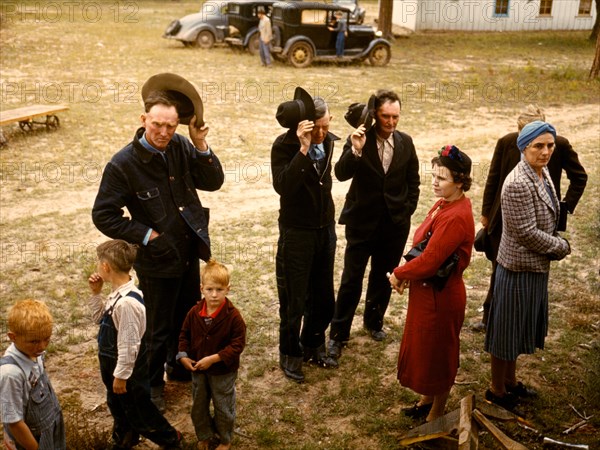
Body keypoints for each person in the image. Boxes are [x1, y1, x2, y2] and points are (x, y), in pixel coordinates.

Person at [92, 72, 225, 411]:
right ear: (143, 120)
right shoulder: (123, 164)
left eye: (172, 126)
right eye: (157, 125)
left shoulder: (181, 145)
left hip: (186, 250)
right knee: (154, 328)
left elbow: (213, 181)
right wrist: (147, 235)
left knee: (185, 316)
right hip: (155, 259)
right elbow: (103, 215)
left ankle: (175, 369)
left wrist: (199, 143)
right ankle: (150, 385)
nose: (164, 132)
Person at [473, 105, 587, 331]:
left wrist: (563, 210)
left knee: (534, 271)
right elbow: (493, 179)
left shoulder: (558, 146)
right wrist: (486, 215)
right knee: (500, 269)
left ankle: (527, 323)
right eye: (524, 132)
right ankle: (490, 318)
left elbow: (580, 177)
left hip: (538, 221)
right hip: (502, 219)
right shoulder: (506, 142)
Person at [484, 121, 571, 413]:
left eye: (550, 145)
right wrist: (560, 246)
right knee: (505, 332)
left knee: (517, 329)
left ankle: (510, 381)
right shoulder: (518, 182)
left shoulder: (540, 171)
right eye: (538, 146)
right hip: (517, 268)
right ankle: (497, 390)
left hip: (533, 267)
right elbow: (525, 233)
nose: (546, 152)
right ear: (524, 147)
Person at [328, 90, 420, 361]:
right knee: (351, 279)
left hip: (394, 224)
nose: (391, 122)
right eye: (385, 116)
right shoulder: (359, 139)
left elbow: (413, 181)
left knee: (383, 276)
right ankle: (338, 334)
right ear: (374, 116)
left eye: (395, 117)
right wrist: (355, 150)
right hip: (361, 222)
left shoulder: (406, 142)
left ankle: (374, 321)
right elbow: (341, 173)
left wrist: (406, 211)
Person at [389, 145, 475, 422]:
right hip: (427, 292)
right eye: (434, 175)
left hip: (442, 297)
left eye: (442, 178)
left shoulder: (456, 215)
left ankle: (437, 412)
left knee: (439, 354)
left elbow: (430, 261)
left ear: (460, 181)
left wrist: (400, 273)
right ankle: (427, 399)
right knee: (425, 350)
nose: (435, 182)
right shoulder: (444, 203)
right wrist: (408, 274)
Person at [271, 87, 339, 382]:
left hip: (325, 229)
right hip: (296, 232)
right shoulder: (283, 146)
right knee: (294, 299)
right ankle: (290, 354)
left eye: (327, 126)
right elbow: (284, 186)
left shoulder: (329, 143)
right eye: (318, 128)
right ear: (306, 126)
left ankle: (314, 344)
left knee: (324, 297)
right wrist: (302, 150)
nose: (323, 133)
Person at [88, 240, 183, 449]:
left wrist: (121, 376)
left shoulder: (127, 303)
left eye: (99, 262)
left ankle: (171, 439)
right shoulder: (116, 294)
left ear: (106, 267)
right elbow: (97, 318)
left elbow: (129, 345)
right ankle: (124, 439)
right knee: (118, 407)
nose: (97, 266)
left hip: (127, 371)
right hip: (114, 367)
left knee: (140, 412)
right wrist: (96, 293)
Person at [177, 259, 246, 450]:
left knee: (223, 405)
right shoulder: (194, 312)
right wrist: (182, 355)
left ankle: (225, 439)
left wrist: (214, 358)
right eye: (209, 289)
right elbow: (184, 335)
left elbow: (237, 345)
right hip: (198, 369)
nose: (214, 295)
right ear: (201, 288)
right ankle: (204, 435)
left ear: (228, 289)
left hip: (223, 371)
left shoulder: (233, 316)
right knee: (199, 405)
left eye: (219, 289)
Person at [1, 300, 66, 450]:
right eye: (34, 341)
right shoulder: (10, 374)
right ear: (12, 337)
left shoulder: (33, 352)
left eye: (47, 339)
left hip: (51, 426)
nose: (42, 347)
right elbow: (14, 422)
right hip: (31, 439)